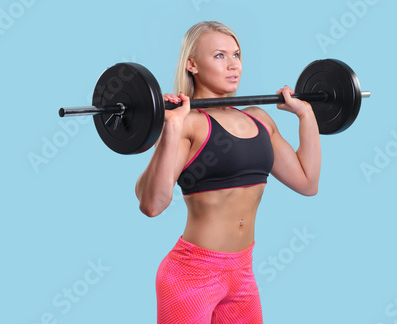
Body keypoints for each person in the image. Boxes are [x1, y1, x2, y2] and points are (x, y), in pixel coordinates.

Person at [135, 21, 321, 324]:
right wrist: (171, 127)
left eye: (236, 55)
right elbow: (152, 204)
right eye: (220, 56)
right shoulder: (190, 124)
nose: (233, 65)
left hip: (242, 273)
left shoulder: (260, 120)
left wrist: (306, 115)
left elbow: (307, 181)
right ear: (192, 64)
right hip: (191, 275)